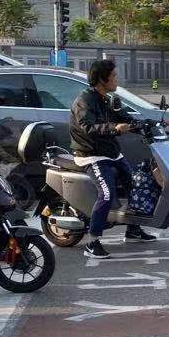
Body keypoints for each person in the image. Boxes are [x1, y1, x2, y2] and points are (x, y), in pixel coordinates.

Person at [70, 59, 156, 259]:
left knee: (136, 185)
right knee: (107, 194)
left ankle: (133, 229)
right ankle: (92, 242)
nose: (117, 79)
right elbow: (88, 127)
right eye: (114, 76)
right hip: (91, 155)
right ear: (103, 79)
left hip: (111, 153)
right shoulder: (84, 101)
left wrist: (150, 123)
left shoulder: (105, 99)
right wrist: (114, 128)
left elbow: (124, 117)